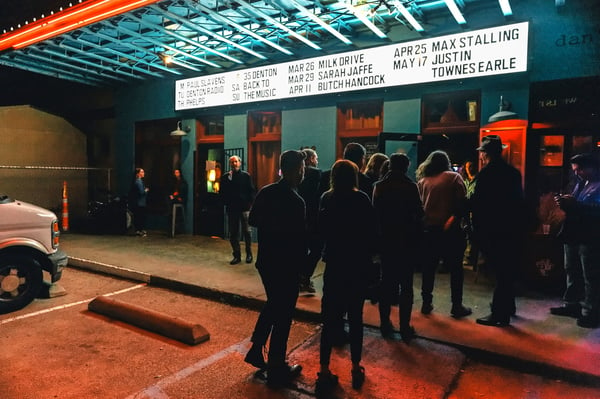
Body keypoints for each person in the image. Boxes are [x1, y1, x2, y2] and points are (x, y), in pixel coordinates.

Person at [244, 150, 306, 388]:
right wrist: (302, 269)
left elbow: (253, 220)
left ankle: (257, 349)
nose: (302, 173)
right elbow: (300, 239)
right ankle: (277, 366)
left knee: (274, 304)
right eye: (300, 169)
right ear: (291, 169)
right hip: (286, 264)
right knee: (283, 314)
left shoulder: (267, 191)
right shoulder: (295, 201)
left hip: (267, 262)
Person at [315, 159, 376, 394]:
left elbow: (321, 230)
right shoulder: (361, 199)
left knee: (329, 320)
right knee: (356, 318)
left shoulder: (326, 198)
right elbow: (372, 232)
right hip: (356, 266)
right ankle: (355, 367)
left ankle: (323, 370)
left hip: (334, 266)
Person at [470, 135, 526, 327]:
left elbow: (477, 204)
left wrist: (476, 230)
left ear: (486, 154)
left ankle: (498, 314)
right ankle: (508, 306)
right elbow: (519, 202)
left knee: (500, 272)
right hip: (512, 229)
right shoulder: (513, 173)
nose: (481, 156)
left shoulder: (485, 175)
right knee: (507, 269)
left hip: (492, 230)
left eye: (482, 153)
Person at [372, 153, 423, 341]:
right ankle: (404, 327)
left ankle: (385, 324)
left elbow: (374, 215)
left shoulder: (379, 187)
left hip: (386, 242)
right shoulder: (411, 187)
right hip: (406, 242)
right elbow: (419, 213)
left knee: (386, 284)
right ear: (406, 167)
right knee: (406, 286)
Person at [416, 151, 472, 318]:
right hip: (450, 230)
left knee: (429, 268)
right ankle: (456, 305)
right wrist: (455, 218)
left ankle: (426, 303)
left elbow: (419, 206)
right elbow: (463, 202)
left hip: (429, 230)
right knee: (456, 269)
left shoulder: (423, 181)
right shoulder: (453, 177)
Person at [551, 153, 600, 328]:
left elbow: (595, 210)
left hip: (591, 236)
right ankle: (572, 304)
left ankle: (591, 311)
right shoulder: (581, 183)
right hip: (574, 234)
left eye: (580, 169)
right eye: (575, 170)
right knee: (571, 269)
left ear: (592, 167)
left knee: (590, 274)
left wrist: (575, 205)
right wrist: (564, 202)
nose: (577, 173)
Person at [219, 155, 256, 265]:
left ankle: (249, 254)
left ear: (240, 163)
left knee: (247, 232)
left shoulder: (246, 176)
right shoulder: (226, 177)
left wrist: (249, 203)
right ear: (230, 164)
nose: (234, 164)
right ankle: (237, 255)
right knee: (233, 233)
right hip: (232, 209)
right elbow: (222, 192)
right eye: (232, 162)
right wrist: (226, 202)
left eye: (236, 162)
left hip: (244, 208)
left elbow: (252, 191)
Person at [298, 148, 322, 294]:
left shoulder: (297, 173)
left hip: (298, 217)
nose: (317, 161)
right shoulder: (316, 173)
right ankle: (305, 277)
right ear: (311, 159)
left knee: (301, 249)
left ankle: (300, 277)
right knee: (316, 249)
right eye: (316, 158)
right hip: (312, 218)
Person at [129, 167, 149, 237]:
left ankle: (139, 230)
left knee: (139, 217)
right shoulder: (139, 181)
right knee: (140, 217)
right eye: (142, 172)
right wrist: (146, 191)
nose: (144, 173)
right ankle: (139, 231)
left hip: (139, 202)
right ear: (138, 174)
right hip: (140, 203)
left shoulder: (137, 181)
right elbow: (141, 192)